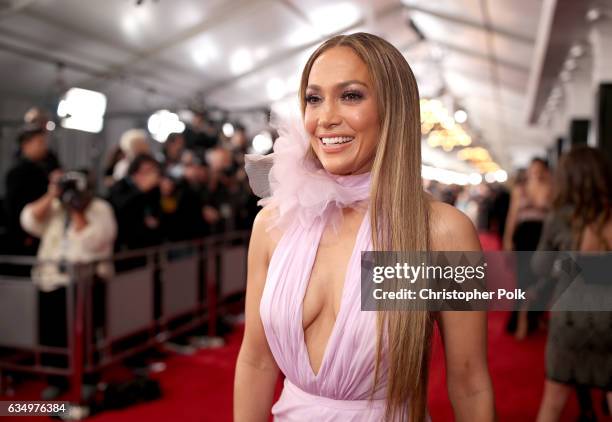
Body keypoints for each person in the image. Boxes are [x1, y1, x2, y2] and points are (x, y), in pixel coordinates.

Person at [234, 33, 494, 421]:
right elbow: (256, 361)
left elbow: (470, 381)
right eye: (314, 98)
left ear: (393, 108)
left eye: (351, 96)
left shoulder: (442, 232)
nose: (325, 118)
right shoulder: (273, 223)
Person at [533, 146, 612, 422]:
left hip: (570, 316)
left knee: (552, 403)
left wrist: (567, 265)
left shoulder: (560, 217)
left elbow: (539, 266)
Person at [4, 125, 60, 256]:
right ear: (26, 145)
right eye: (39, 142)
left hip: (43, 229)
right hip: (25, 233)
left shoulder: (48, 166)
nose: (44, 146)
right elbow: (14, 208)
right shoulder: (17, 173)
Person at [108, 154, 162, 251]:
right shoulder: (121, 186)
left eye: (153, 171)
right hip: (125, 246)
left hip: (149, 245)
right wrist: (141, 190)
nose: (151, 175)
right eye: (147, 171)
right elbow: (120, 209)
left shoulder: (155, 190)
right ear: (135, 173)